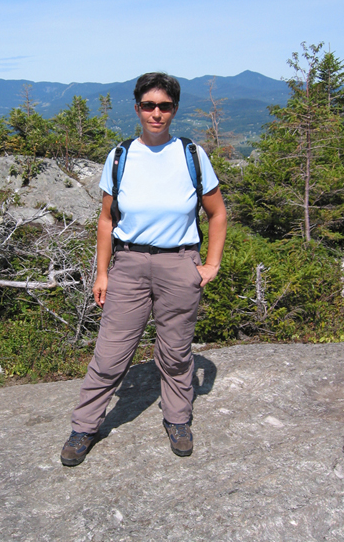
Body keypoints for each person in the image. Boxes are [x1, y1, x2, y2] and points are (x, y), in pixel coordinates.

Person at [61, 72, 227, 466]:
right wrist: (102, 272)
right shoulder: (120, 156)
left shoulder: (191, 154)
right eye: (149, 106)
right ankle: (84, 426)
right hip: (129, 264)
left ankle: (178, 418)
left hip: (179, 262)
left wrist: (211, 264)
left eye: (165, 106)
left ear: (174, 109)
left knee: (175, 352)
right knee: (111, 354)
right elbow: (106, 219)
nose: (157, 113)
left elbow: (217, 213)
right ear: (137, 108)